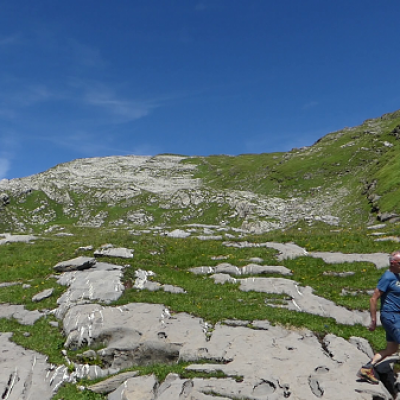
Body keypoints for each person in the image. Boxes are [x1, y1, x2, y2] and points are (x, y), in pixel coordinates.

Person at [357, 250, 400, 384]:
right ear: (393, 263)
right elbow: (373, 299)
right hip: (391, 316)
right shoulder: (387, 277)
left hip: (396, 317)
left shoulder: (397, 276)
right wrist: (373, 320)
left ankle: (367, 368)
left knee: (392, 349)